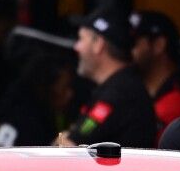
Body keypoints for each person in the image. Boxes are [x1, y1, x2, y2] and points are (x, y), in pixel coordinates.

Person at [54, 9, 159, 149]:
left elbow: (67, 148)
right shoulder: (121, 86)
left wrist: (61, 137)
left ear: (98, 45)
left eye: (81, 39)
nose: (76, 47)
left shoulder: (118, 94)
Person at [129, 10, 180, 146]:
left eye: (133, 43)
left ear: (158, 45)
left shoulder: (176, 101)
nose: (127, 50)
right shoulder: (138, 90)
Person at [0, 54, 76, 147]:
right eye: (65, 88)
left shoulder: (57, 116)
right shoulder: (19, 121)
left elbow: (60, 140)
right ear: (46, 87)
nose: (70, 94)